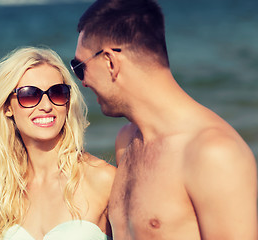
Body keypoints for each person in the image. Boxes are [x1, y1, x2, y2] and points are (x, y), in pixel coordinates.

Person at [70, 0, 258, 239]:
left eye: (80, 67)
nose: (83, 82)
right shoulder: (126, 141)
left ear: (110, 62)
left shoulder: (214, 153)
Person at [0, 47, 115, 240]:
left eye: (57, 93)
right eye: (29, 95)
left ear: (67, 101)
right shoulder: (8, 193)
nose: (47, 106)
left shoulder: (102, 179)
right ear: (7, 107)